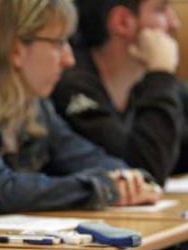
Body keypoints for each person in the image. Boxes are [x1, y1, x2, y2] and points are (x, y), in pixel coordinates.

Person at [0, 0, 162, 222]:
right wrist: (100, 187)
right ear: (16, 48)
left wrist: (128, 178)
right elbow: (2, 191)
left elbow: (81, 155)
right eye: (59, 43)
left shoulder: (32, 103)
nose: (69, 59)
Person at [52, 0, 183, 185]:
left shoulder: (145, 85)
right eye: (161, 10)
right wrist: (160, 73)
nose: (174, 23)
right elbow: (145, 172)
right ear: (122, 22)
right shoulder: (71, 85)